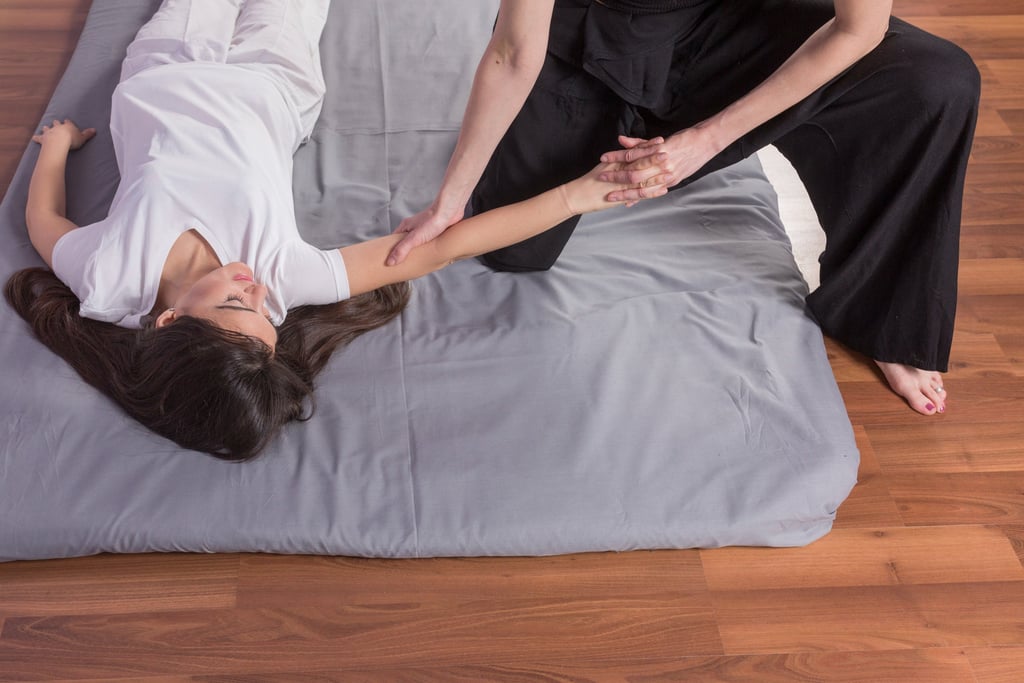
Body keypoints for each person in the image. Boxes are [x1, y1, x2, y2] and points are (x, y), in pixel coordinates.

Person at [5, 0, 664, 461]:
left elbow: (44, 223)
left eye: (236, 302)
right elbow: (445, 247)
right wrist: (579, 194)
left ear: (170, 321)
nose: (256, 290)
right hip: (272, 78)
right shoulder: (283, 278)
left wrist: (55, 150)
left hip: (163, 70)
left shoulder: (110, 279)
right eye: (266, 314)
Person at [387, 0, 982, 417]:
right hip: (590, 35)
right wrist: (449, 200)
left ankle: (886, 319)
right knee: (514, 250)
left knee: (936, 82)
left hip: (727, 25)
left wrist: (706, 139)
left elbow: (859, 29)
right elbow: (514, 51)